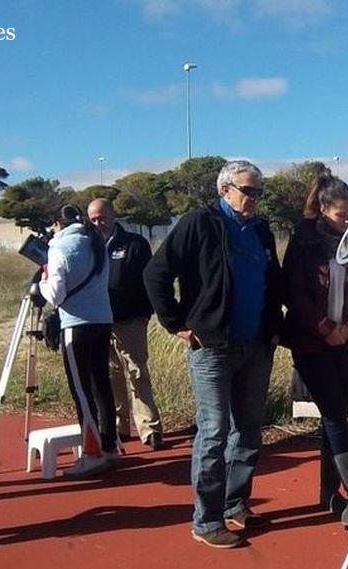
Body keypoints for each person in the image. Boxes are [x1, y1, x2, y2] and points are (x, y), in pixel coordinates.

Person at [143, 160, 284, 549]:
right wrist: (176, 324)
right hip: (212, 348)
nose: (254, 198)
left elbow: (273, 281)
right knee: (214, 431)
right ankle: (206, 520)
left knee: (249, 430)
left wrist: (273, 328)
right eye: (248, 190)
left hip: (256, 345)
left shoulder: (261, 230)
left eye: (259, 191)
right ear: (225, 189)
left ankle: (236, 505)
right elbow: (155, 273)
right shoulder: (197, 224)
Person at [282, 173, 348, 528]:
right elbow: (293, 292)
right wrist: (324, 328)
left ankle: (329, 492)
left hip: (346, 342)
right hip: (311, 342)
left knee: (334, 414)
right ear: (323, 210)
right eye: (341, 214)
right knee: (335, 412)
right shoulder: (304, 240)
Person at [33, 204, 118, 478]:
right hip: (102, 320)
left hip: (76, 324)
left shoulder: (60, 248)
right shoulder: (96, 242)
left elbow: (56, 294)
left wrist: (42, 284)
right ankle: (109, 446)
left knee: (81, 391)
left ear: (58, 223)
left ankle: (92, 454)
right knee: (101, 385)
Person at [86, 198, 168, 451]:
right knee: (112, 376)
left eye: (102, 217)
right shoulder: (87, 245)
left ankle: (149, 428)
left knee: (137, 372)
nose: (98, 223)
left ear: (112, 216)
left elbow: (148, 280)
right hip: (99, 320)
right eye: (93, 219)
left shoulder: (134, 244)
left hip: (130, 319)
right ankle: (120, 426)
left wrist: (145, 313)